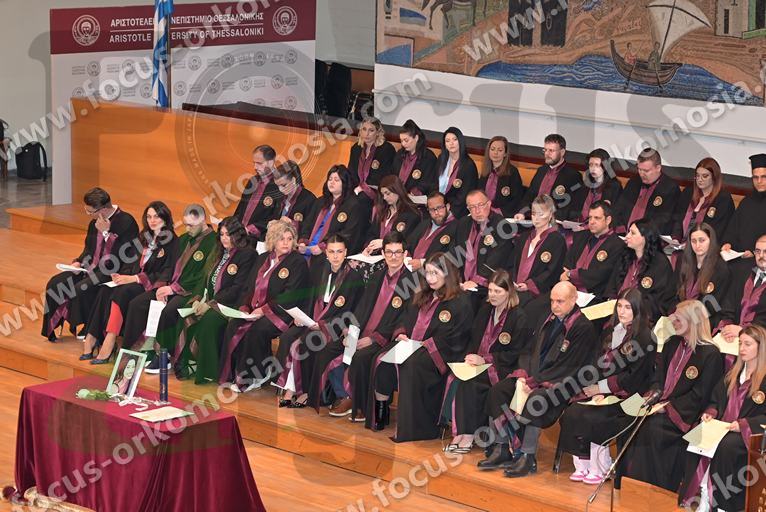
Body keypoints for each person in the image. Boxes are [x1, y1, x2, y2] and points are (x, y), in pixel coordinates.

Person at [478, 281, 598, 476]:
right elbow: (528, 351)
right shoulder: (546, 319)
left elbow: (569, 366)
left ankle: (527, 457)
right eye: (552, 301)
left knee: (537, 398)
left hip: (563, 384)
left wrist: (535, 382)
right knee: (499, 391)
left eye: (560, 301)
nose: (554, 306)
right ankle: (501, 448)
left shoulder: (583, 327)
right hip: (534, 377)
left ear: (574, 299)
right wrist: (524, 375)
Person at [622, 300, 723, 492]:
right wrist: (651, 397)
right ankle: (628, 485)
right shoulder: (672, 343)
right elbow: (657, 378)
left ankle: (655, 490)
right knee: (627, 418)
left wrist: (666, 408)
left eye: (678, 319)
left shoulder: (710, 354)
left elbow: (701, 395)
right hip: (659, 405)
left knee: (652, 429)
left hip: (684, 414)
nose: (673, 322)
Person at [557, 288, 655, 485]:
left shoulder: (644, 337)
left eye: (628, 307)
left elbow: (634, 376)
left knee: (595, 417)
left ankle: (601, 466)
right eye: (619, 306)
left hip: (631, 394)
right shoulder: (610, 330)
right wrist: (595, 387)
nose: (622, 311)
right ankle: (583, 463)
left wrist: (602, 389)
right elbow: (596, 362)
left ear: (637, 310)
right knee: (573, 411)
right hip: (603, 390)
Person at [370, 254, 473, 441]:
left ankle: (415, 427)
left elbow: (457, 336)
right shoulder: (422, 294)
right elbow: (404, 318)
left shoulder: (460, 301)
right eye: (428, 273)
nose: (431, 278)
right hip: (413, 346)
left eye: (436, 273)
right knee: (382, 360)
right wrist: (402, 333)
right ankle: (380, 415)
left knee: (411, 365)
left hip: (440, 353)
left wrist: (427, 344)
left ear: (447, 273)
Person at [678, 324, 766, 511]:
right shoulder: (734, 372)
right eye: (740, 343)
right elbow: (716, 400)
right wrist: (710, 413)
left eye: (748, 344)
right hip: (722, 427)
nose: (742, 348)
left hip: (751, 435)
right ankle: (700, 495)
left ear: (761, 347)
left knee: (726, 447)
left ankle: (722, 505)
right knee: (696, 437)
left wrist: (743, 425)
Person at [274, 234, 364, 410]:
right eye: (332, 252)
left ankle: (305, 391)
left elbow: (351, 311)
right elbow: (309, 299)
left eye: (339, 252)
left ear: (346, 252)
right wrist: (301, 317)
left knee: (305, 344)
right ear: (326, 253)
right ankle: (290, 388)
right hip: (313, 321)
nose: (335, 256)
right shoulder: (319, 270)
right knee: (288, 338)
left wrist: (322, 325)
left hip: (336, 327)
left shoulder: (353, 279)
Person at [121, 205, 217, 370]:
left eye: (191, 225)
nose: (187, 229)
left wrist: (174, 289)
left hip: (192, 291)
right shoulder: (184, 238)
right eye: (185, 224)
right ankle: (136, 351)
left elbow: (203, 276)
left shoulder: (213, 242)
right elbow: (169, 267)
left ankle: (163, 355)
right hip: (171, 286)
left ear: (203, 221)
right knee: (138, 303)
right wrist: (162, 286)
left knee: (169, 311)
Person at [443, 270, 530, 453]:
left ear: (509, 292)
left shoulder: (519, 316)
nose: (493, 295)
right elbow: (473, 339)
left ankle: (468, 435)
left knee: (471, 383)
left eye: (498, 291)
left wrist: (486, 359)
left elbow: (516, 352)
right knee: (457, 378)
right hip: (480, 364)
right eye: (490, 290)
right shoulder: (485, 310)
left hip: (503, 368)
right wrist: (470, 357)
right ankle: (459, 433)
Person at [81, 201, 178, 363]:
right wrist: (120, 276)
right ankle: (92, 336)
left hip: (150, 285)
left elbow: (166, 272)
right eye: (149, 217)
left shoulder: (172, 241)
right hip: (133, 280)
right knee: (105, 289)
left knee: (122, 292)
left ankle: (110, 340)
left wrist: (135, 279)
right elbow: (130, 262)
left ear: (165, 218)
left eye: (156, 217)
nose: (152, 220)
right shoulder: (143, 237)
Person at [220, 219, 310, 393]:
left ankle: (256, 376)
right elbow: (248, 287)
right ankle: (232, 374)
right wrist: (245, 308)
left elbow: (290, 295)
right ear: (273, 240)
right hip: (255, 310)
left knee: (256, 330)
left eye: (290, 239)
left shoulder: (297, 262)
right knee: (234, 325)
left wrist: (263, 310)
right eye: (281, 238)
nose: (286, 243)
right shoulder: (262, 258)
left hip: (283, 312)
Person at [41, 187, 139, 342]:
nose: (88, 214)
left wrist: (106, 233)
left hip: (113, 270)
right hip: (89, 268)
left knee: (82, 288)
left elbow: (124, 255)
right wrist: (78, 262)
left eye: (90, 211)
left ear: (103, 210)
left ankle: (89, 327)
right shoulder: (94, 222)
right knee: (55, 283)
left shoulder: (126, 222)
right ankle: (52, 326)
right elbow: (89, 249)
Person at [172, 217, 256, 382]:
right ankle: (189, 362)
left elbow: (238, 288)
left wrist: (210, 304)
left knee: (208, 321)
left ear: (238, 235)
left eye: (228, 234)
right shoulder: (218, 251)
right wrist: (197, 300)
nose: (224, 238)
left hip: (231, 305)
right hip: (211, 301)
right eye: (222, 234)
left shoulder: (248, 254)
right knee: (187, 315)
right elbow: (204, 279)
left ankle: (208, 371)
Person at [346, 231, 413, 422]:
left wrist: (374, 338)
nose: (393, 257)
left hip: (387, 337)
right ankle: (347, 398)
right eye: (389, 252)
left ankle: (363, 407)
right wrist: (351, 331)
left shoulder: (412, 281)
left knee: (361, 357)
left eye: (398, 252)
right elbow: (362, 307)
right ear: (383, 253)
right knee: (336, 347)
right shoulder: (377, 276)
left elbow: (406, 319)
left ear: (405, 254)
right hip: (365, 330)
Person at [605, 218, 676, 322]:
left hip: (642, 317)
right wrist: (612, 300)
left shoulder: (660, 264)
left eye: (632, 233)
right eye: (628, 232)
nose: (627, 236)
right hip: (617, 310)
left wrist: (631, 308)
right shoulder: (625, 256)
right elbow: (612, 286)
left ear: (645, 237)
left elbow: (658, 300)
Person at [454, 190, 515, 303]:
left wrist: (476, 281)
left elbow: (496, 259)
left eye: (480, 205)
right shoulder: (463, 223)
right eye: (472, 207)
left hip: (488, 285)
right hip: (463, 282)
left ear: (489, 204)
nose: (477, 211)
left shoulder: (502, 226)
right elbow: (456, 253)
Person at [509, 195, 566, 307]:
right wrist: (513, 281)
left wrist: (529, 285)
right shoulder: (524, 237)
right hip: (516, 289)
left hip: (539, 293)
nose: (536, 218)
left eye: (541, 214)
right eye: (534, 214)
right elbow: (513, 264)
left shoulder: (557, 240)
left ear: (550, 215)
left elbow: (553, 272)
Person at [561, 200, 625, 299]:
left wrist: (571, 274)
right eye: (590, 217)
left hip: (593, 295)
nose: (592, 222)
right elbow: (567, 263)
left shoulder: (617, 245)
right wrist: (568, 276)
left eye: (597, 218)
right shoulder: (581, 236)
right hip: (567, 288)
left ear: (608, 220)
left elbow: (601, 274)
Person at [299, 165, 366, 257]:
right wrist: (303, 241)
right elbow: (308, 223)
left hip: (330, 253)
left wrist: (324, 246)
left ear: (345, 183)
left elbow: (348, 234)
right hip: (309, 247)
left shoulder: (353, 205)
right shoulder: (321, 201)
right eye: (330, 179)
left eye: (336, 180)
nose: (332, 182)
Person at [515, 134, 583, 221]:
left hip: (554, 221)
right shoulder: (541, 171)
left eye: (551, 150)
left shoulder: (573, 176)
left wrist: (548, 216)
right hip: (531, 218)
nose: (547, 154)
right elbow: (529, 196)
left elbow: (571, 206)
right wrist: (522, 212)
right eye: (545, 150)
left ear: (562, 152)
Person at [673, 223, 729, 325]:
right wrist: (676, 314)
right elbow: (675, 292)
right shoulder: (683, 262)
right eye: (694, 241)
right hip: (681, 316)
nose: (697, 245)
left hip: (704, 321)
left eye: (702, 240)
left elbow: (713, 304)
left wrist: (689, 319)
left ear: (711, 241)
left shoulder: (720, 268)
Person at [614, 148, 680, 234]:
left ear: (658, 168)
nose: (641, 174)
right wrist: (621, 231)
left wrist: (641, 235)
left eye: (646, 171)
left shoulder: (670, 188)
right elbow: (619, 208)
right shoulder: (634, 181)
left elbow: (663, 220)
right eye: (639, 169)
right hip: (623, 234)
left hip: (647, 237)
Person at [671, 157, 734, 246]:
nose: (700, 179)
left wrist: (693, 245)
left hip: (705, 247)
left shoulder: (723, 199)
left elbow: (718, 231)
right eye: (697, 175)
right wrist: (675, 239)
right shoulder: (688, 192)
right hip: (680, 244)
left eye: (705, 176)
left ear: (714, 177)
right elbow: (677, 219)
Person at [717, 235, 766, 342]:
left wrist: (743, 330)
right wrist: (727, 325)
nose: (761, 256)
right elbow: (729, 303)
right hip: (733, 335)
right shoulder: (742, 272)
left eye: (765, 252)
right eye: (758, 251)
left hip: (759, 338)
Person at [362, 175, 421, 256]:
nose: (384, 197)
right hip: (377, 255)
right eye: (383, 194)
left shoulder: (412, 214)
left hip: (397, 257)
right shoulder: (382, 211)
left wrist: (384, 243)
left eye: (387, 193)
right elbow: (372, 234)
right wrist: (369, 247)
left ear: (397, 191)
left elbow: (407, 241)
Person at [722, 154, 766, 256]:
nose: (759, 181)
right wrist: (728, 243)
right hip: (739, 256)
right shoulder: (746, 202)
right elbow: (732, 231)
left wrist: (755, 253)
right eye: (755, 177)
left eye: (764, 177)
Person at [233, 145, 279, 242]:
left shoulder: (279, 185)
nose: (255, 167)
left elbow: (275, 218)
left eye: (259, 163)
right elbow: (240, 208)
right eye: (254, 163)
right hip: (239, 236)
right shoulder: (252, 180)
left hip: (260, 239)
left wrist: (251, 229)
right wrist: (232, 226)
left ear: (271, 162)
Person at [347, 116, 396, 203]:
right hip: (357, 190)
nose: (367, 134)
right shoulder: (356, 148)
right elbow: (351, 172)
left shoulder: (387, 149)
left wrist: (363, 188)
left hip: (377, 192)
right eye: (364, 129)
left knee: (356, 201)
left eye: (371, 130)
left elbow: (385, 177)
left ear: (378, 132)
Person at [406, 192, 457, 271]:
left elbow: (455, 257)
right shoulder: (424, 223)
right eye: (432, 209)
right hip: (411, 269)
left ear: (447, 206)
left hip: (435, 273)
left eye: (439, 208)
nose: (436, 213)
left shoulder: (457, 227)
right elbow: (408, 244)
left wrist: (423, 263)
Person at [435, 127, 478, 218]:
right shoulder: (441, 159)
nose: (451, 143)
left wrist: (449, 211)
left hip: (457, 210)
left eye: (454, 139)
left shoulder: (468, 165)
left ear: (460, 141)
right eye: (447, 141)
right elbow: (434, 183)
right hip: (438, 205)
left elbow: (464, 196)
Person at [479, 136, 524, 217]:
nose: (495, 153)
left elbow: (516, 199)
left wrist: (498, 212)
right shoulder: (485, 170)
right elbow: (479, 193)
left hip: (502, 215)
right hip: (483, 211)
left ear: (505, 153)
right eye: (492, 149)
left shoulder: (512, 172)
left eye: (500, 150)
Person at [575, 149, 622, 224]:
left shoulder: (614, 186)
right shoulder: (585, 183)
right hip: (579, 224)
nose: (593, 169)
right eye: (591, 165)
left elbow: (613, 215)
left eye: (597, 165)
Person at [392, 119, 437, 197]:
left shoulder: (428, 157)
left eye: (406, 140)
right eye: (401, 141)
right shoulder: (400, 154)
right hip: (396, 194)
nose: (403, 144)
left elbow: (428, 182)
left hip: (414, 198)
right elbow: (392, 174)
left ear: (416, 138)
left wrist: (413, 193)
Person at [273, 160, 316, 236]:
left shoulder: (310, 200)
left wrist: (292, 223)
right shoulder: (279, 197)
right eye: (277, 186)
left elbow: (312, 227)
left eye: (283, 185)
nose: (280, 189)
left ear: (293, 180)